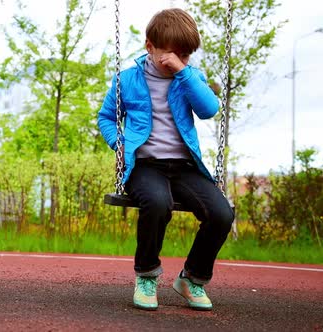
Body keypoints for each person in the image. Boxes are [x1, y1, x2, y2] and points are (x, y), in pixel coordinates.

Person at [97, 8, 235, 311]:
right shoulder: (128, 79)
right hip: (144, 165)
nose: (178, 61)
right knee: (157, 203)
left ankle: (192, 278)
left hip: (184, 167)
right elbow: (107, 117)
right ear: (150, 47)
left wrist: (184, 73)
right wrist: (118, 144)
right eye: (172, 54)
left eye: (185, 55)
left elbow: (209, 109)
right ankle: (146, 275)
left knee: (221, 214)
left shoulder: (190, 78)